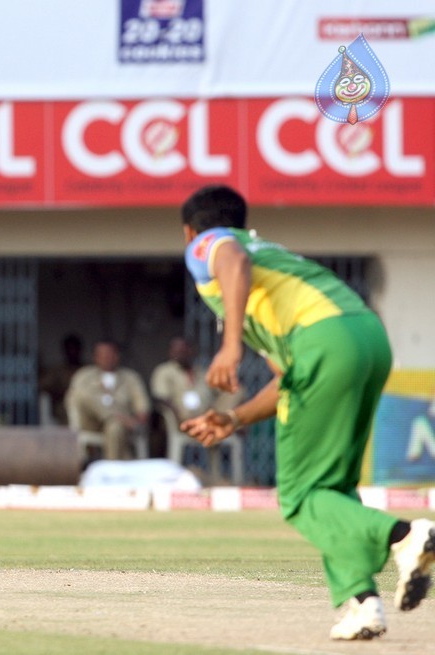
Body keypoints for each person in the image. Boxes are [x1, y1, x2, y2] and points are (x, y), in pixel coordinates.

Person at [177, 184, 435, 641]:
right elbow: (287, 380)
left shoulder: (210, 245)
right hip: (367, 339)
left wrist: (230, 345)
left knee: (298, 496)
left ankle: (405, 536)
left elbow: (230, 257)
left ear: (188, 231)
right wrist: (234, 418)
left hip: (322, 342)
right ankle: (362, 603)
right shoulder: (276, 259)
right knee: (330, 489)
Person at [64, 338, 151, 463]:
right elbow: (74, 400)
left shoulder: (130, 378)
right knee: (80, 393)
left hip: (119, 427)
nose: (106, 358)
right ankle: (114, 416)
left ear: (117, 356)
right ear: (95, 357)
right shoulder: (83, 376)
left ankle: (112, 468)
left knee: (115, 426)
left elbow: (142, 406)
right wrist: (117, 416)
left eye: (110, 354)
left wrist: (140, 419)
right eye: (102, 355)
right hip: (90, 423)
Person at [150, 336, 240, 423]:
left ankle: (220, 420)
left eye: (184, 350)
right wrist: (176, 414)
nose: (181, 354)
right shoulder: (164, 371)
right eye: (178, 351)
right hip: (181, 419)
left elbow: (222, 390)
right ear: (171, 352)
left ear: (191, 351)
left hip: (206, 418)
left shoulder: (202, 372)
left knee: (237, 392)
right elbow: (160, 397)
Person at [38, 334, 84, 425]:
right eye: (70, 349)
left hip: (85, 407)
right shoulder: (57, 371)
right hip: (63, 408)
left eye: (75, 349)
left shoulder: (87, 370)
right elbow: (42, 386)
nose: (72, 352)